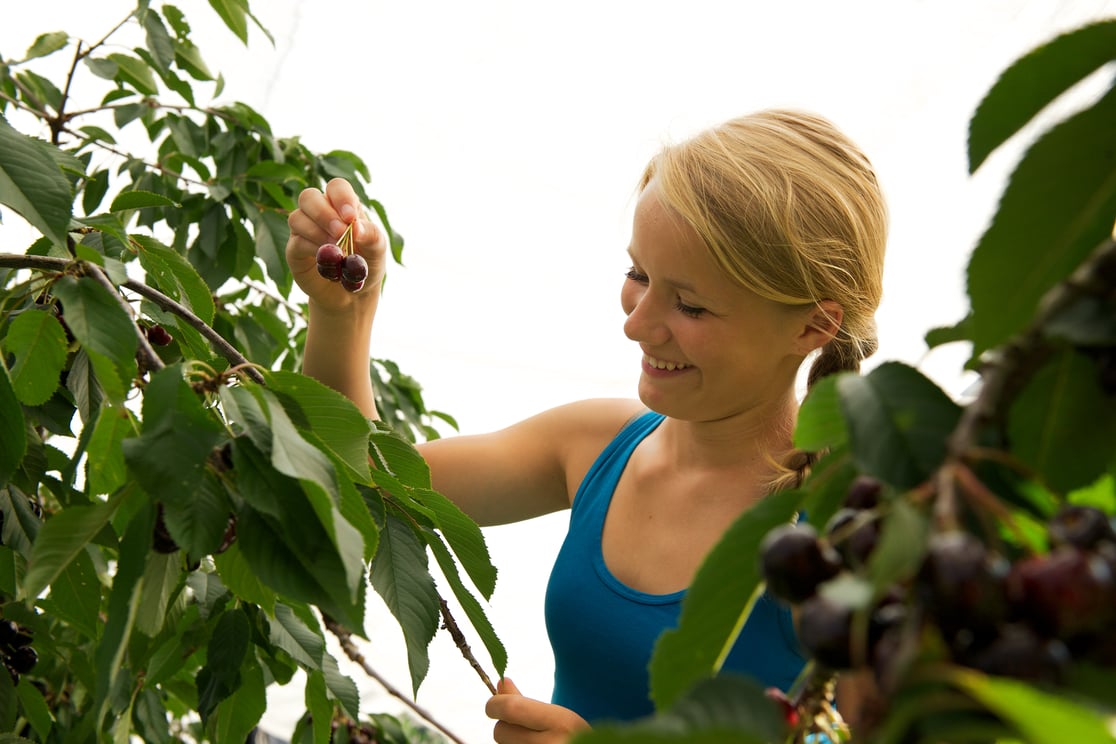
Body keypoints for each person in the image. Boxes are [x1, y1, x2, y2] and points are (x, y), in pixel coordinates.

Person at [285, 108, 888, 743]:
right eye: (639, 275)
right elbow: (364, 481)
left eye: (690, 305)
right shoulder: (600, 446)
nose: (636, 322)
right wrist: (345, 314)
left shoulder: (849, 538)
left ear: (812, 327)